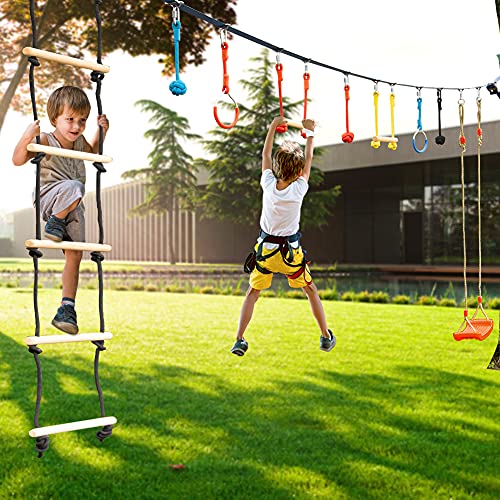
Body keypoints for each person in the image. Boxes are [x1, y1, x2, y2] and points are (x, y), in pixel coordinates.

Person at [231, 116, 336, 356]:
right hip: (290, 254)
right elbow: (309, 157)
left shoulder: (268, 183)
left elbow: (265, 155)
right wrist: (310, 132)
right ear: (299, 171)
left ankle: (239, 339)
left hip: (266, 252)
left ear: (277, 167)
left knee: (252, 294)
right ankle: (325, 336)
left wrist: (272, 127)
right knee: (310, 290)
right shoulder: (300, 187)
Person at [12, 86, 109, 335]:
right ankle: (54, 222)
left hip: (73, 203)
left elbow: (94, 154)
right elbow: (18, 159)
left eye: (82, 121)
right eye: (70, 119)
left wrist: (102, 131)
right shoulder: (45, 139)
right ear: (55, 117)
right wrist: (26, 137)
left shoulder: (79, 142)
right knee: (75, 186)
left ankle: (66, 308)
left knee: (75, 255)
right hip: (49, 198)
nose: (76, 126)